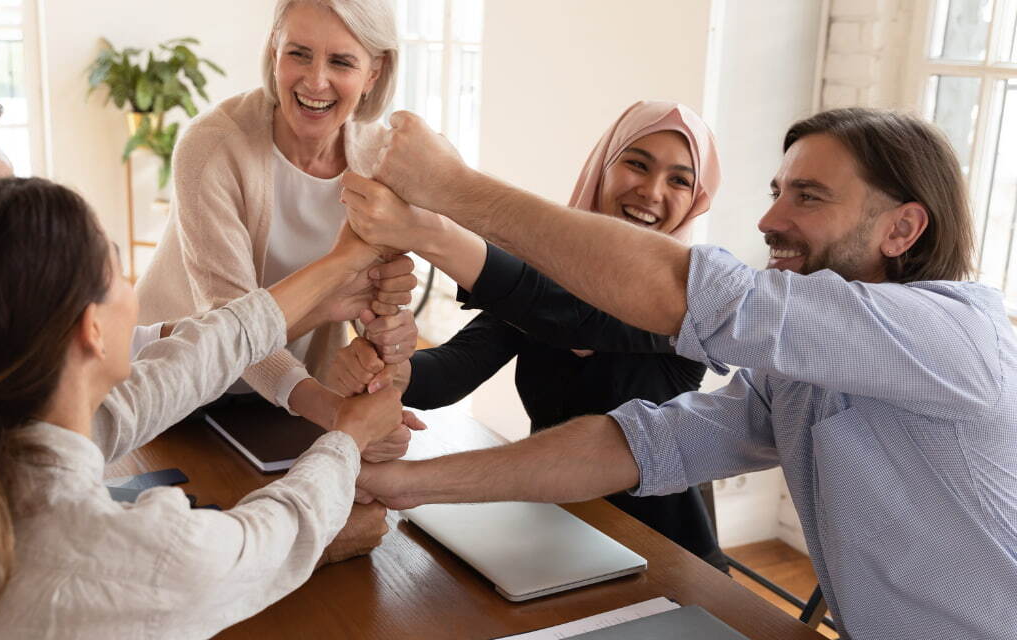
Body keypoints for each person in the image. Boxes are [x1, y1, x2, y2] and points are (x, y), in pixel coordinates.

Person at [0, 74, 402, 640]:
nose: (13, 215)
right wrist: (340, 461)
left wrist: (332, 276)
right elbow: (187, 565)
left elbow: (146, 380)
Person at [351, 107, 1017, 638]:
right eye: (776, 192)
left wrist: (451, 194)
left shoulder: (957, 334)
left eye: (807, 198)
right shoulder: (799, 373)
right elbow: (640, 443)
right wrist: (400, 483)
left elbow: (684, 296)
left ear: (902, 230)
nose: (768, 220)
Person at [329, 101, 726, 568]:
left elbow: (569, 314)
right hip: (552, 528)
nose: (652, 192)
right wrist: (393, 371)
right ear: (603, 168)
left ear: (697, 199)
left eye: (679, 179)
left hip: (667, 556)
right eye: (637, 164)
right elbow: (455, 370)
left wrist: (433, 229)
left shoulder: (693, 304)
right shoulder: (546, 281)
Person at [134, 0, 420, 458]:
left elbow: (373, 303)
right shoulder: (211, 147)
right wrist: (336, 415)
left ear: (374, 72)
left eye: (342, 61)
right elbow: (226, 325)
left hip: (289, 396)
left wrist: (386, 340)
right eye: (299, 53)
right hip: (170, 387)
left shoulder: (381, 159)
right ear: (273, 50)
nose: (315, 80)